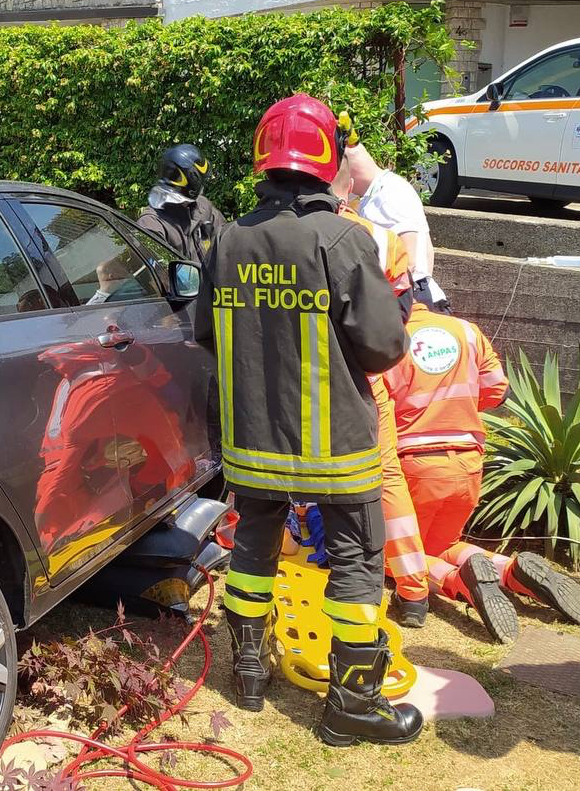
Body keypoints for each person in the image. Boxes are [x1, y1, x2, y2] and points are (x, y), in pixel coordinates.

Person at [194, 94, 421, 746]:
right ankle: (351, 706)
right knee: (355, 559)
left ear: (264, 157)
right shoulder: (343, 239)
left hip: (252, 440)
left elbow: (207, 332)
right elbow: (382, 347)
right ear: (325, 159)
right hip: (336, 448)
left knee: (253, 546)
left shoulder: (227, 240)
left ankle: (248, 672)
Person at [381, 302, 580, 643]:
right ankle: (510, 571)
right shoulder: (467, 330)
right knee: (442, 543)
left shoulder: (386, 338)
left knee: (394, 558)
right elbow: (497, 390)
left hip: (415, 464)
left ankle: (458, 582)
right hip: (468, 461)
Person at [331, 154, 432, 626]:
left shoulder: (267, 236)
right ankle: (411, 592)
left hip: (293, 381)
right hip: (367, 382)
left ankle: (310, 572)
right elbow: (399, 322)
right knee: (383, 479)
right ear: (348, 189)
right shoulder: (382, 239)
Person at [345, 143, 449, 312]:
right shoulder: (383, 190)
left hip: (408, 296)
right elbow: (427, 250)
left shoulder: (387, 194)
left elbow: (409, 261)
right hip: (415, 294)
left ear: (349, 170)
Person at [137, 144, 225, 262]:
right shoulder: (152, 223)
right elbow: (153, 271)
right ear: (194, 182)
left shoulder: (204, 207)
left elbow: (226, 242)